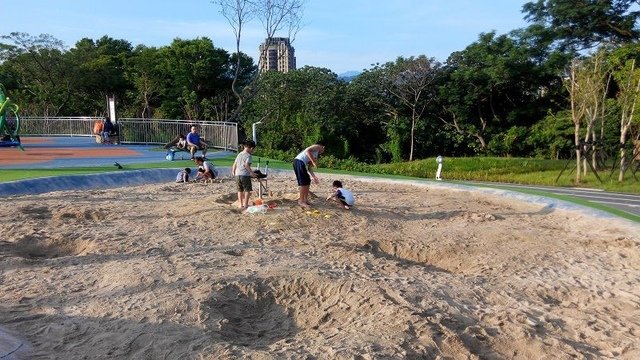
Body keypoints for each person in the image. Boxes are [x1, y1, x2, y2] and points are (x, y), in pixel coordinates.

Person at [293, 141, 325, 208]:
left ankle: (305, 199)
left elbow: (309, 168)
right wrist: (313, 161)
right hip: (299, 161)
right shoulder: (317, 146)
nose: (323, 151)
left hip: (302, 164)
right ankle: (301, 201)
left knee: (307, 181)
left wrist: (314, 177)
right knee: (303, 183)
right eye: (324, 149)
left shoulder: (315, 155)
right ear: (323, 147)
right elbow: (307, 151)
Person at [231, 140, 257, 209]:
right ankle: (245, 204)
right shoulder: (249, 156)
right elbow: (246, 165)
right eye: (253, 149)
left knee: (240, 190)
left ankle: (240, 204)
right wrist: (251, 173)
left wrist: (233, 171)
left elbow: (234, 164)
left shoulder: (239, 154)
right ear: (251, 148)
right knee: (247, 190)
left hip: (237, 174)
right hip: (244, 175)